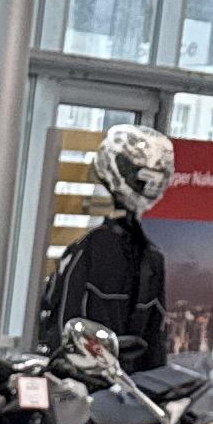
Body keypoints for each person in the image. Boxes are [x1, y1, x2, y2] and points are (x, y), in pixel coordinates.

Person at [39, 121, 174, 362]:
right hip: (129, 378)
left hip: (90, 374)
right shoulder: (151, 256)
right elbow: (155, 343)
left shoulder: (89, 250)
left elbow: (62, 327)